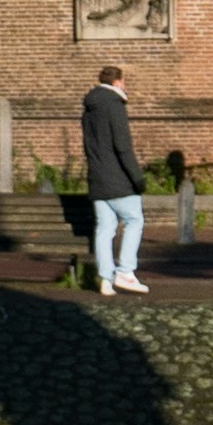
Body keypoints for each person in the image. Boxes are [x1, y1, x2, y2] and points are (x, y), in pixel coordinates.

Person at [80, 61, 147, 294]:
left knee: (105, 229)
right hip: (119, 179)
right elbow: (123, 146)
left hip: (97, 177)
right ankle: (126, 272)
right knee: (134, 221)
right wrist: (137, 177)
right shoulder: (114, 105)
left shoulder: (89, 109)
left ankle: (105, 279)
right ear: (117, 82)